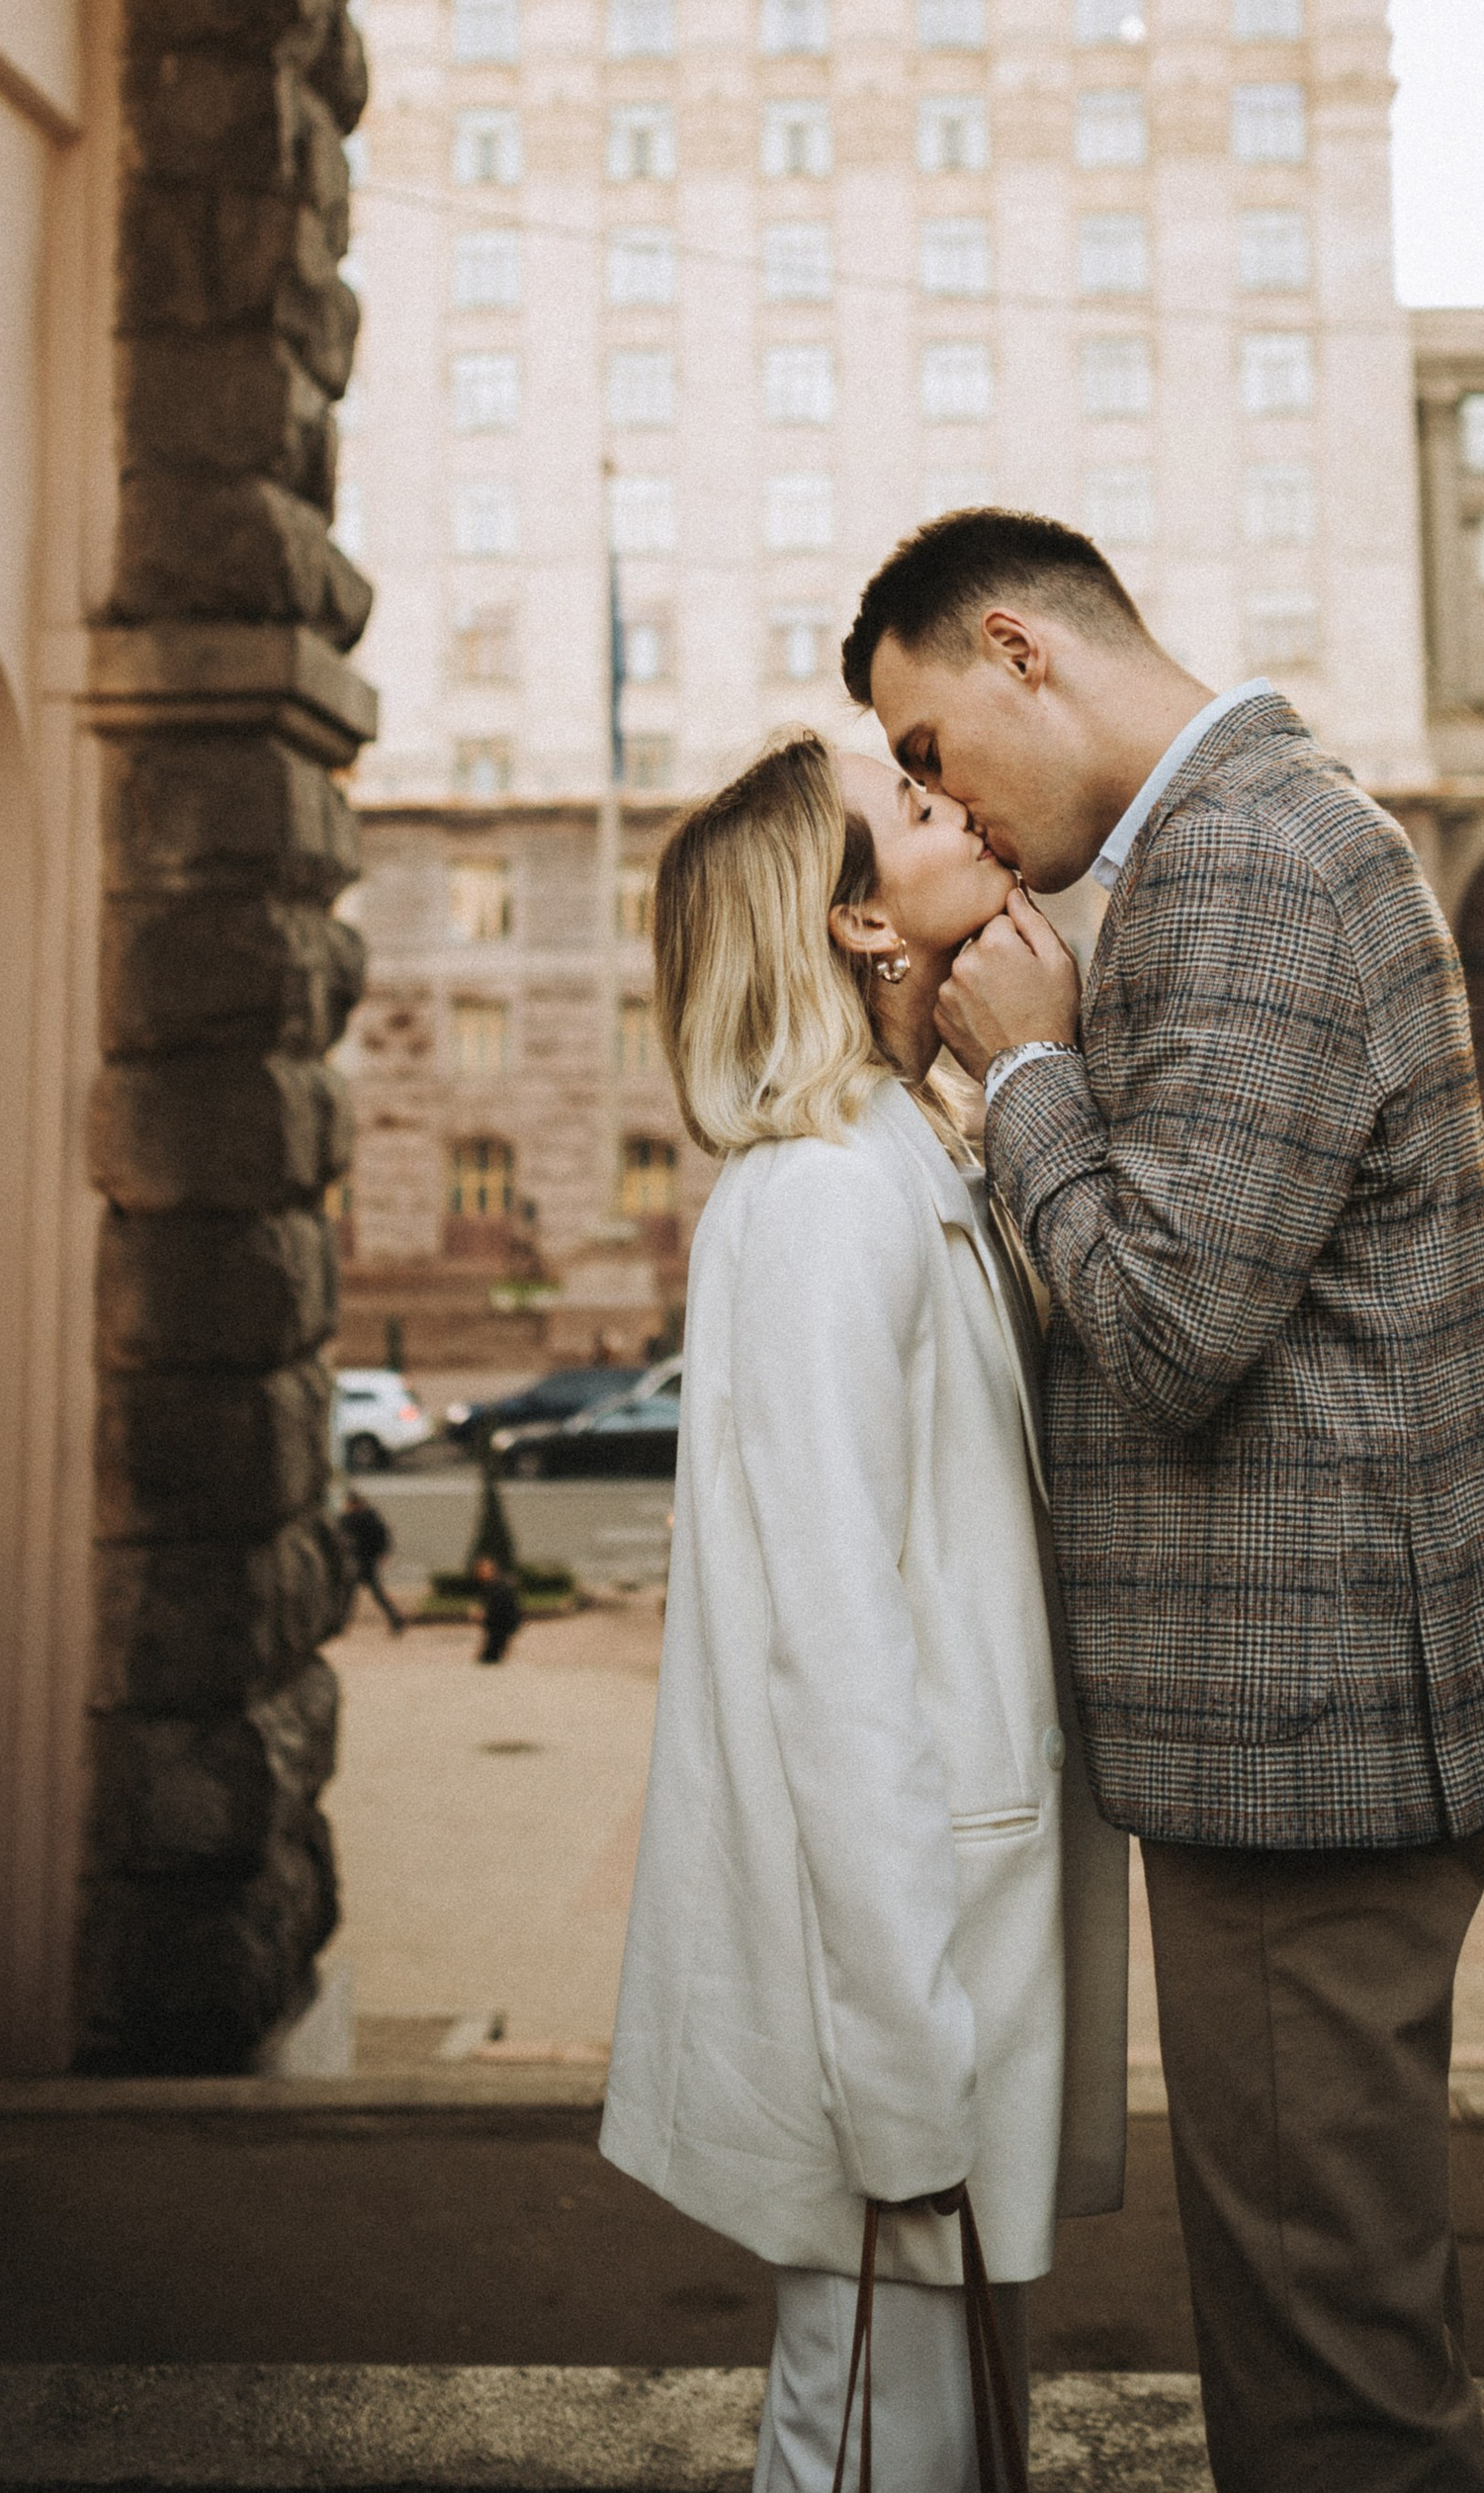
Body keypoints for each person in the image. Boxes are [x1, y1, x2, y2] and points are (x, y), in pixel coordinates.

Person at [844, 510, 1484, 2493]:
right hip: (1319, 1726)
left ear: (1020, 649)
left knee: (1327, 2366)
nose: (947, 811)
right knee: (1324, 2314)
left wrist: (1026, 1076)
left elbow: (1171, 1331)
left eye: (929, 751)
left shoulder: (1244, 856)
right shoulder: (1234, 840)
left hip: (1311, 1739)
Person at [604, 732, 1127, 2493]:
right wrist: (906, 2060)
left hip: (949, 1944)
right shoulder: (827, 1198)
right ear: (858, 926)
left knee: (944, 2438)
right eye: (909, 810)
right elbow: (828, 1652)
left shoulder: (905, 1155)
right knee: (868, 2449)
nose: (958, 807)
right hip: (897, 1984)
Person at [340, 1487, 404, 1635]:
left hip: (363, 1561)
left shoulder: (364, 1518)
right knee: (352, 1595)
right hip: (358, 1561)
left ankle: (396, 1619)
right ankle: (395, 1619)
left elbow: (382, 1535)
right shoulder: (355, 1518)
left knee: (355, 1595)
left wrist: (383, 1552)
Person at [471, 1551, 523, 1666]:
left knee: (489, 1658)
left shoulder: (498, 1587)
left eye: (483, 1570)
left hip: (500, 1627)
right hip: (497, 1627)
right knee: (491, 1657)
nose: (480, 1574)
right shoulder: (491, 1586)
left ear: (492, 1570)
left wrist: (483, 1614)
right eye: (479, 1571)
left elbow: (500, 1609)